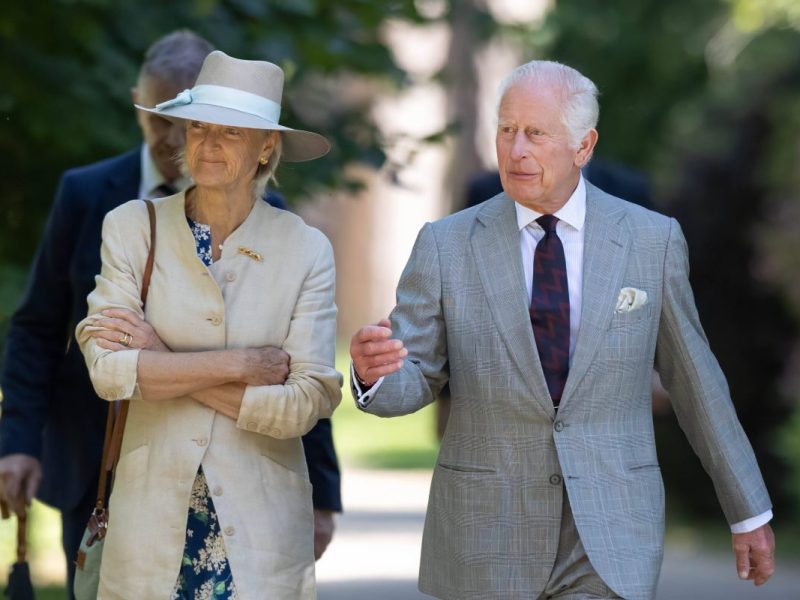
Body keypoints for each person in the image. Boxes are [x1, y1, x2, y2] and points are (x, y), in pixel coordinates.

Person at [350, 60, 775, 599]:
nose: (516, 149)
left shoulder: (652, 241)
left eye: (536, 133)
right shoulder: (445, 245)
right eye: (506, 130)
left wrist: (747, 511)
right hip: (488, 532)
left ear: (583, 146)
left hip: (610, 532)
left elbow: (696, 383)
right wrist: (376, 375)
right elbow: (417, 377)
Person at [0, 30, 341, 597]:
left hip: (259, 526)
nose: (206, 143)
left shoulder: (304, 246)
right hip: (143, 511)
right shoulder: (129, 224)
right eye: (199, 125)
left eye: (230, 130)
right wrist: (246, 364)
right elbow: (107, 372)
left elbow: (306, 403)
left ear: (266, 147)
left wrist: (158, 361)